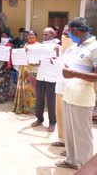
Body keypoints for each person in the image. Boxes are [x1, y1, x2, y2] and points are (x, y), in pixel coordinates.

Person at [55, 17, 97, 170]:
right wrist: (57, 61)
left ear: (77, 31)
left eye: (69, 32)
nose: (67, 35)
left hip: (82, 98)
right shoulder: (74, 46)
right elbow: (67, 65)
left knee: (82, 136)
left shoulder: (94, 47)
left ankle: (86, 168)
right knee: (70, 133)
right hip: (69, 94)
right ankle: (72, 160)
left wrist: (73, 74)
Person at [31, 27, 60, 132]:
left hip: (52, 78)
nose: (44, 36)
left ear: (53, 35)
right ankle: (39, 119)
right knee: (39, 99)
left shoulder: (58, 47)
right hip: (40, 76)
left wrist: (57, 53)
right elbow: (34, 60)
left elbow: (60, 61)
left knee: (51, 101)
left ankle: (52, 122)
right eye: (43, 34)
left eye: (46, 34)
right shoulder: (40, 47)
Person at [51, 25, 73, 155]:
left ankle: (72, 147)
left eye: (67, 33)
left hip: (72, 87)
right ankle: (62, 139)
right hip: (60, 84)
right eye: (63, 33)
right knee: (60, 114)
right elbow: (63, 61)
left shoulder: (77, 48)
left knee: (70, 117)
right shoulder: (62, 47)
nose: (64, 36)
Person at [12, 30, 39, 114]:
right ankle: (22, 108)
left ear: (36, 36)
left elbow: (39, 58)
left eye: (32, 34)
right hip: (24, 70)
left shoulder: (39, 46)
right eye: (29, 35)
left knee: (33, 90)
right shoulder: (25, 45)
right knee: (23, 89)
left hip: (33, 71)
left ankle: (32, 108)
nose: (30, 36)